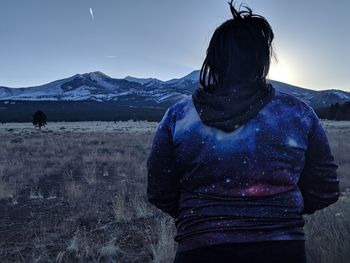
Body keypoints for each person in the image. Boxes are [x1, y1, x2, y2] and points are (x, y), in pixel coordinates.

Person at [146, 2, 340, 263]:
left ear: (213, 59)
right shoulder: (299, 113)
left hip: (200, 247)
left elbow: (159, 190)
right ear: (261, 60)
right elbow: (325, 189)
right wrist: (278, 212)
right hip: (281, 249)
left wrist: (202, 215)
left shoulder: (179, 116)